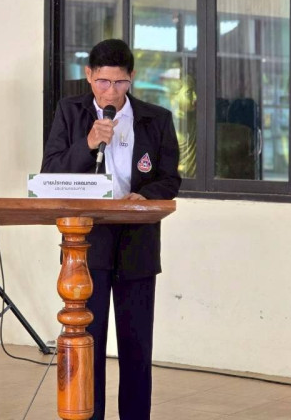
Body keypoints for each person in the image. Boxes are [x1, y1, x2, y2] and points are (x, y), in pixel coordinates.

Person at [41, 38, 181, 420]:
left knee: (137, 350)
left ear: (131, 77)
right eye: (103, 82)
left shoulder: (156, 119)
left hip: (138, 244)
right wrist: (88, 143)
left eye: (120, 83)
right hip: (87, 247)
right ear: (89, 76)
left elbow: (170, 178)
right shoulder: (69, 112)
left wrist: (144, 195)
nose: (111, 92)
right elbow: (50, 171)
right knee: (90, 344)